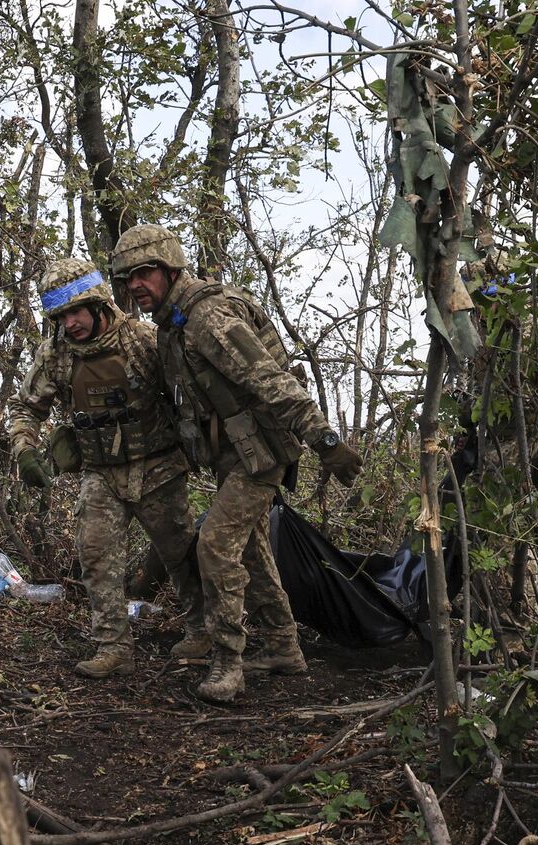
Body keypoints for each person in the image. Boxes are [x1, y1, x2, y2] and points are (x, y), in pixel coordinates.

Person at [108, 225, 363, 703]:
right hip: (234, 451)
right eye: (127, 279)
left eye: (144, 273)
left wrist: (325, 439)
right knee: (251, 548)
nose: (135, 286)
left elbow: (271, 381)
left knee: (215, 545)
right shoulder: (172, 325)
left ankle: (228, 661)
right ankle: (284, 647)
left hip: (260, 451)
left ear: (169, 268)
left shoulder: (208, 317)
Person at [4, 257, 203, 678]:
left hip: (158, 466)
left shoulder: (142, 339)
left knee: (181, 554)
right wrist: (24, 448)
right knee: (95, 555)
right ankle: (113, 647)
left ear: (98, 304)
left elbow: (188, 391)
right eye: (61, 316)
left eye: (77, 312)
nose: (71, 323)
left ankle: (202, 631)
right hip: (101, 471)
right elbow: (26, 406)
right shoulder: (56, 354)